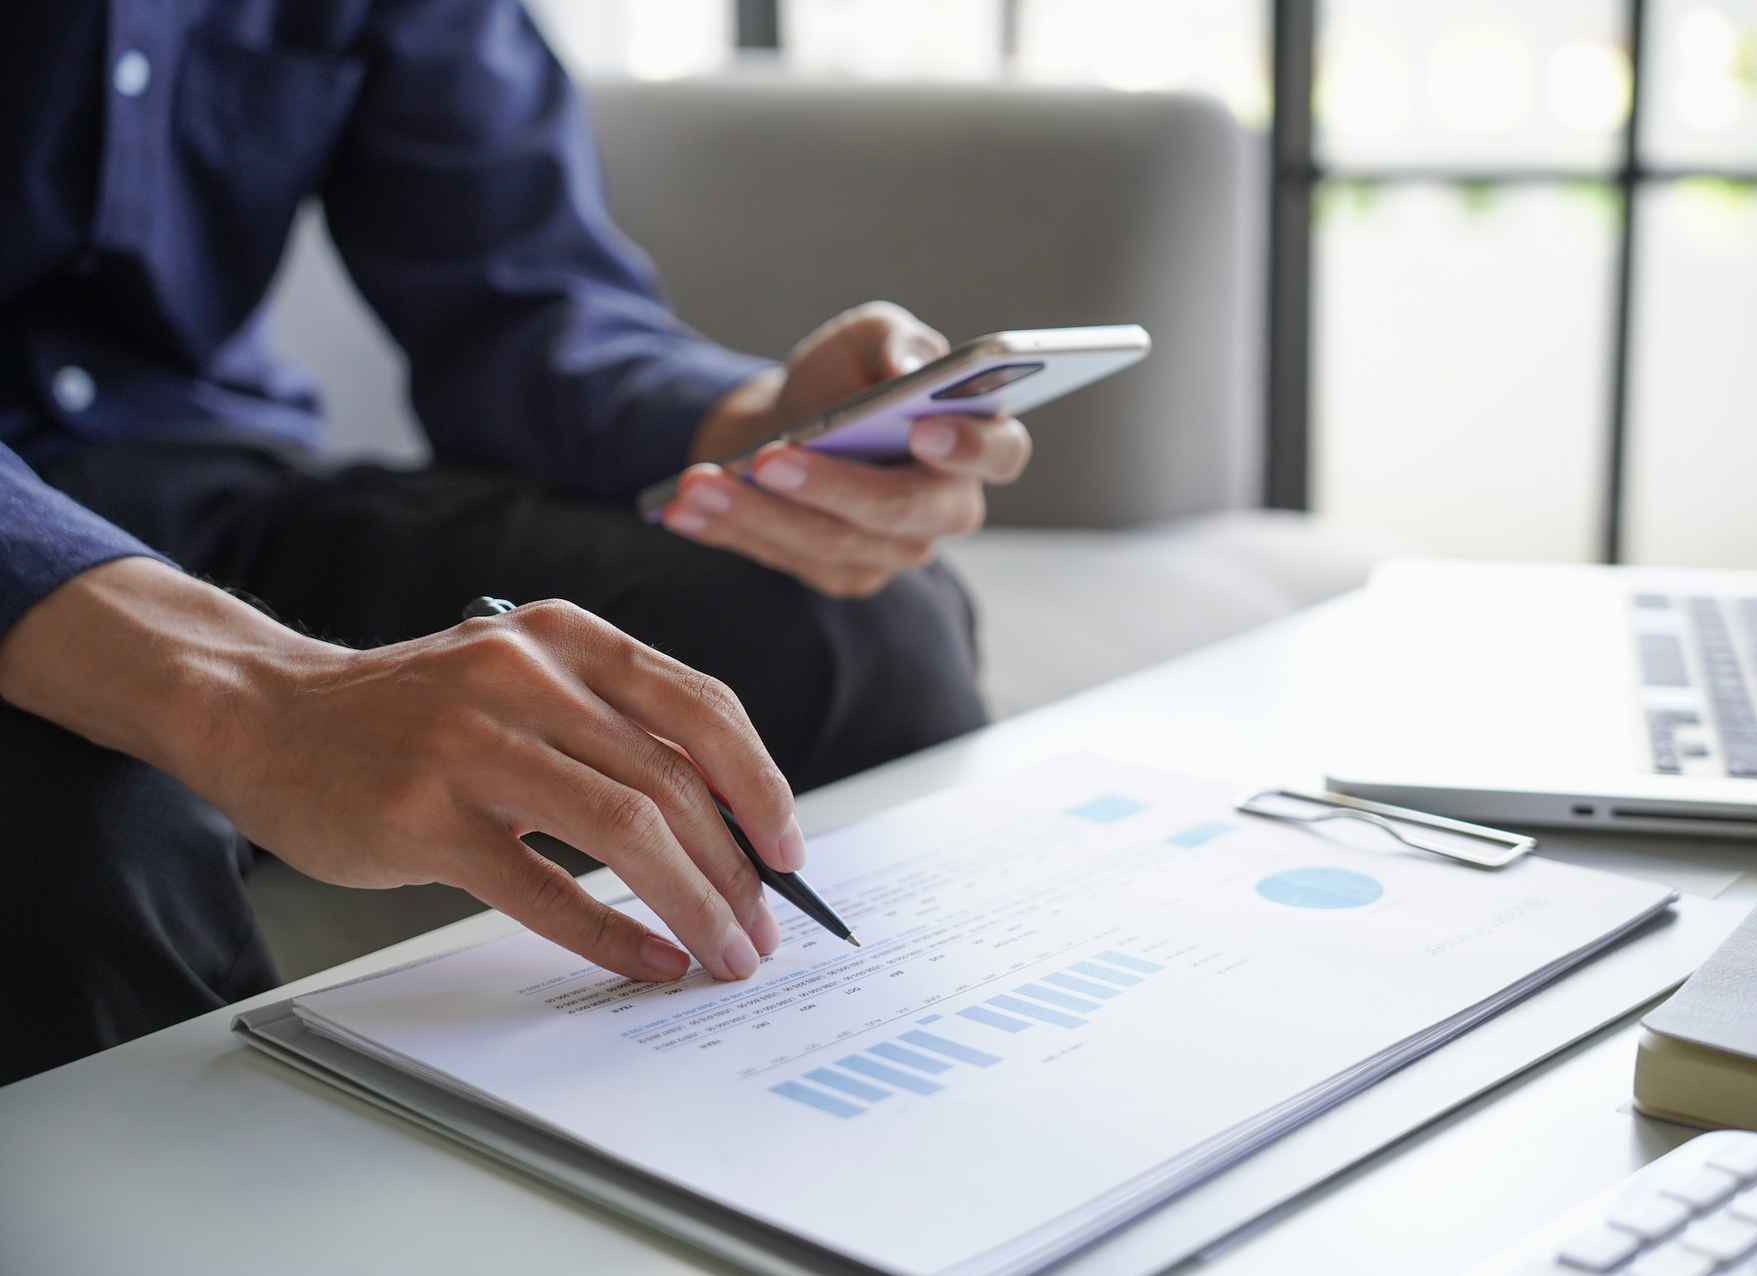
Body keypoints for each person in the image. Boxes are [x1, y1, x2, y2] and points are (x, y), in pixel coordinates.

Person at [0, 0, 1032, 1085]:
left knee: (856, 634)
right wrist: (254, 696)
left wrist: (760, 428)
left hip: (207, 485)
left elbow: (517, 294)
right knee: (87, 838)